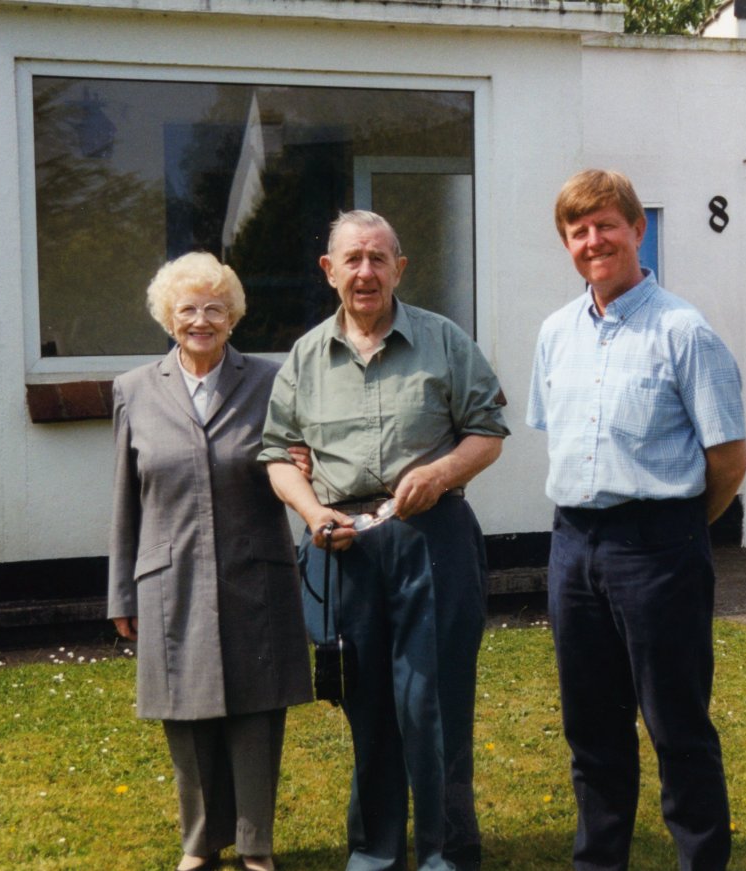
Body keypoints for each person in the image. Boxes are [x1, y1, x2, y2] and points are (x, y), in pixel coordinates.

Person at [259, 210, 509, 871]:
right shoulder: (305, 358)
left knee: (433, 701)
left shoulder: (443, 340)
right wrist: (312, 511)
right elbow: (279, 455)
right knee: (364, 701)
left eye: (379, 258)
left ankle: (446, 850)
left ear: (400, 267)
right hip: (343, 547)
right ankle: (373, 848)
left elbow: (487, 431)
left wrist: (440, 471)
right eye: (353, 259)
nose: (365, 271)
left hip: (432, 540)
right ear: (329, 270)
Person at [527, 169, 746, 871]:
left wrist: (680, 528)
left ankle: (700, 861)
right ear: (566, 242)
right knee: (591, 730)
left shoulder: (685, 332)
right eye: (578, 230)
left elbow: (730, 458)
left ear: (636, 229)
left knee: (677, 725)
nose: (594, 241)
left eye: (605, 225)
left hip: (659, 549)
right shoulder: (555, 333)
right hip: (572, 548)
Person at [108, 252, 312, 871]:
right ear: (168, 317)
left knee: (256, 709)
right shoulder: (134, 389)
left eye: (214, 308)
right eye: (188, 309)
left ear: (233, 317)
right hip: (170, 576)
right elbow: (125, 496)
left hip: (256, 569)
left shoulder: (271, 381)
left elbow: (299, 462)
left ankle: (255, 845)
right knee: (185, 710)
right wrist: (122, 593)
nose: (201, 320)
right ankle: (199, 843)